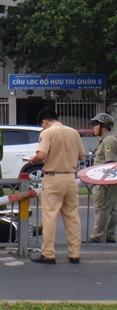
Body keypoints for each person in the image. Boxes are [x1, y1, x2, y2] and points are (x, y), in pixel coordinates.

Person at [28, 108, 85, 264]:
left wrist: (32, 160)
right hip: (70, 178)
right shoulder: (74, 133)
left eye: (42, 125)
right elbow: (80, 155)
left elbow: (42, 155)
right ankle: (74, 253)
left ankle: (48, 253)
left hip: (53, 178)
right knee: (72, 217)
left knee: (50, 217)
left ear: (44, 122)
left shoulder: (47, 133)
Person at [87, 113, 117, 244]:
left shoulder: (108, 141)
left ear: (103, 127)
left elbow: (110, 163)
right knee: (112, 208)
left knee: (101, 207)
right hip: (108, 180)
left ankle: (98, 236)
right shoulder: (108, 140)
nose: (93, 128)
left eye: (95, 125)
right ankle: (110, 235)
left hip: (105, 180)